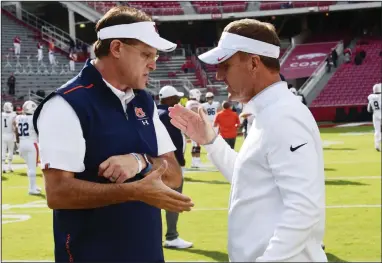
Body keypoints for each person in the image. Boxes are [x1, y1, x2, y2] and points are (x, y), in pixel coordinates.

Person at [32, 6, 193, 262]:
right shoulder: (65, 104)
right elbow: (58, 192)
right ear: (116, 48)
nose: (153, 63)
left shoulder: (144, 102)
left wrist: (140, 160)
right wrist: (134, 191)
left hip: (148, 252)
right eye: (146, 54)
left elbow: (173, 175)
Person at [169, 18, 327, 262]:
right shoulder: (268, 112)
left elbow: (304, 208)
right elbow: (249, 178)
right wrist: (210, 141)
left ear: (254, 63)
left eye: (226, 65)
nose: (219, 75)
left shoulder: (283, 116)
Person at [157, 85, 193, 249]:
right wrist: (179, 163)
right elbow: (173, 145)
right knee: (173, 201)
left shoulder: (157, 113)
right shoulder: (167, 116)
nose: (179, 102)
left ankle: (158, 237)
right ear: (169, 99)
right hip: (170, 166)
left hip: (158, 165)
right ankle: (171, 236)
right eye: (176, 99)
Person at [15, 101, 41, 195]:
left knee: (30, 167)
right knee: (32, 168)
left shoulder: (19, 117)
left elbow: (16, 130)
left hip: (22, 143)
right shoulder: (34, 118)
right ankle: (31, 189)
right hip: (32, 143)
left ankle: (33, 186)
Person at [186, 88, 205, 168]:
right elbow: (203, 113)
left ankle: (195, 161)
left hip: (191, 125)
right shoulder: (195, 103)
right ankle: (196, 161)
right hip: (195, 125)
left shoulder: (188, 103)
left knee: (195, 144)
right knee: (196, 145)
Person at [2, 102, 17, 173]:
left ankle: (3, 167)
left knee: (3, 152)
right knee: (10, 151)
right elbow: (15, 126)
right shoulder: (14, 115)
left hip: (2, 135)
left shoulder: (1, 115)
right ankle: (9, 166)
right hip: (10, 134)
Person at [367, 83, 381, 151]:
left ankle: (377, 145)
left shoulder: (371, 97)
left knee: (377, 131)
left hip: (375, 114)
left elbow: (369, 110)